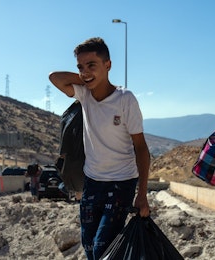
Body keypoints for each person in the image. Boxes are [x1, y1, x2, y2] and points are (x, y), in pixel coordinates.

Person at [49, 37, 150, 259]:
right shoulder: (84, 94)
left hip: (121, 182)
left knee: (103, 245)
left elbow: (141, 148)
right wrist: (87, 78)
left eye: (91, 65)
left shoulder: (125, 99)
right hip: (92, 182)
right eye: (81, 67)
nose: (85, 71)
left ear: (108, 65)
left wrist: (142, 194)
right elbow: (54, 78)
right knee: (90, 246)